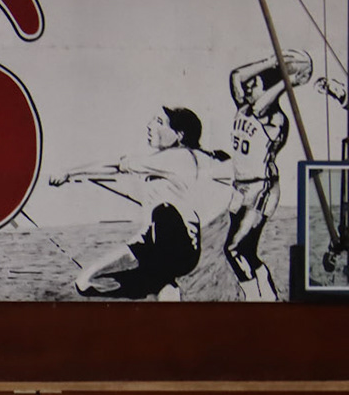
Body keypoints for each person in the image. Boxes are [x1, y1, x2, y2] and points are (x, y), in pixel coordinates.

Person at [48, 107, 223, 301]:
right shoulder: (171, 164)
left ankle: (148, 283)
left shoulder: (177, 157)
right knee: (85, 281)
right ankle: (154, 286)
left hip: (181, 247)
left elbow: (117, 165)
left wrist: (69, 173)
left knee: (164, 214)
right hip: (157, 242)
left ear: (179, 135)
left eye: (159, 122)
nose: (150, 126)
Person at [219, 53, 303, 301]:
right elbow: (236, 76)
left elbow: (260, 107)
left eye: (254, 84)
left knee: (233, 248)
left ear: (268, 89)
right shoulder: (245, 108)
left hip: (261, 189)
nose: (247, 87)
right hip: (240, 189)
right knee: (247, 251)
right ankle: (268, 296)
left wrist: (285, 81)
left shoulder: (275, 118)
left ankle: (253, 299)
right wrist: (271, 62)